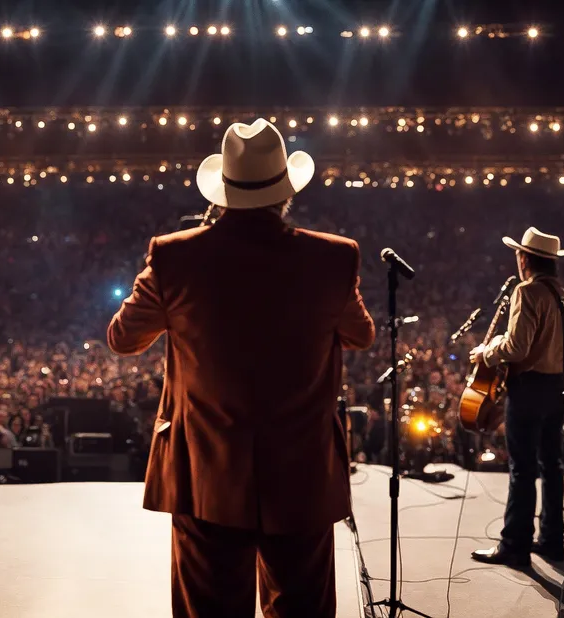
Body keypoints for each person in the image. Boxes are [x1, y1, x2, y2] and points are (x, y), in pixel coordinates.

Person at [107, 118, 375, 618]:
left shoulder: (174, 256)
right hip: (303, 473)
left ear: (223, 192)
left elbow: (122, 338)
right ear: (285, 192)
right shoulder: (335, 258)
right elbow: (362, 334)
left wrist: (163, 280)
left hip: (206, 471)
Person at [469, 227, 564, 567]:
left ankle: (515, 545)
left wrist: (487, 352)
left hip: (529, 388)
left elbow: (517, 347)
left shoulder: (528, 292)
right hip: (556, 386)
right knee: (552, 465)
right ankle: (552, 540)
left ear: (525, 258)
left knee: (523, 468)